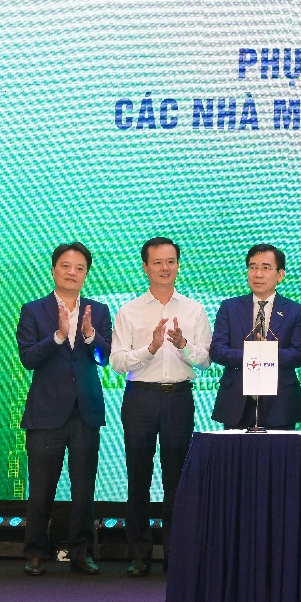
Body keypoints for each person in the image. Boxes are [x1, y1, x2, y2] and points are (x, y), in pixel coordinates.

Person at [109, 237, 211, 576]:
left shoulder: (194, 310)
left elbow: (206, 360)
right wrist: (150, 349)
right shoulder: (129, 310)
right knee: (138, 476)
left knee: (177, 478)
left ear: (178, 265)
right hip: (140, 398)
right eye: (157, 262)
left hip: (179, 397)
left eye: (170, 261)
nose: (165, 268)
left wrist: (183, 345)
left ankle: (175, 553)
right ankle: (139, 553)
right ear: (145, 267)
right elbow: (117, 361)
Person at [16, 242, 112, 577]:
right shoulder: (33, 310)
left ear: (86, 274)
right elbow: (28, 359)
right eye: (66, 266)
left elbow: (105, 358)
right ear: (54, 269)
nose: (72, 273)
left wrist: (90, 336)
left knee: (84, 489)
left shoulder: (98, 311)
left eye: (80, 268)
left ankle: (81, 553)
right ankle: (35, 553)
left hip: (85, 411)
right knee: (41, 488)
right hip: (45, 413)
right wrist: (58, 336)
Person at [210, 243, 301, 430]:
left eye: (266, 268)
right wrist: (254, 354)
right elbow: (217, 350)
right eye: (253, 267)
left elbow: (298, 354)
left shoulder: (295, 311)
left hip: (280, 403)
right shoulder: (229, 308)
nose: (258, 274)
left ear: (280, 275)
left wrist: (269, 352)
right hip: (236, 401)